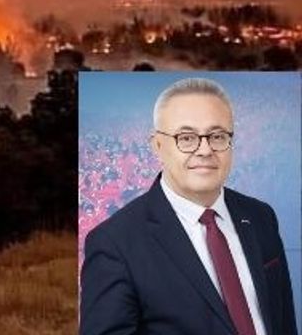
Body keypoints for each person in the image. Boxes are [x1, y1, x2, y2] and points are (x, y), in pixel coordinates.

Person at [81, 77, 297, 335]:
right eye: (186, 137)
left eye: (217, 136)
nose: (205, 150)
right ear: (157, 146)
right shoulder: (114, 243)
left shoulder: (260, 216)